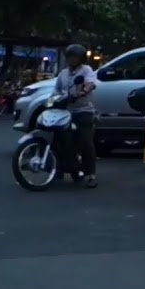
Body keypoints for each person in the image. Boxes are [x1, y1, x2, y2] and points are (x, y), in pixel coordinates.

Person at [53, 44, 99, 188]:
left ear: (81, 59)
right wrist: (55, 99)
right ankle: (59, 169)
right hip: (66, 111)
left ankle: (91, 174)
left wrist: (84, 91)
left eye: (75, 57)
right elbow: (56, 91)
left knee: (86, 142)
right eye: (70, 57)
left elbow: (91, 84)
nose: (72, 60)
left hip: (83, 110)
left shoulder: (86, 70)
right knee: (58, 139)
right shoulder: (63, 73)